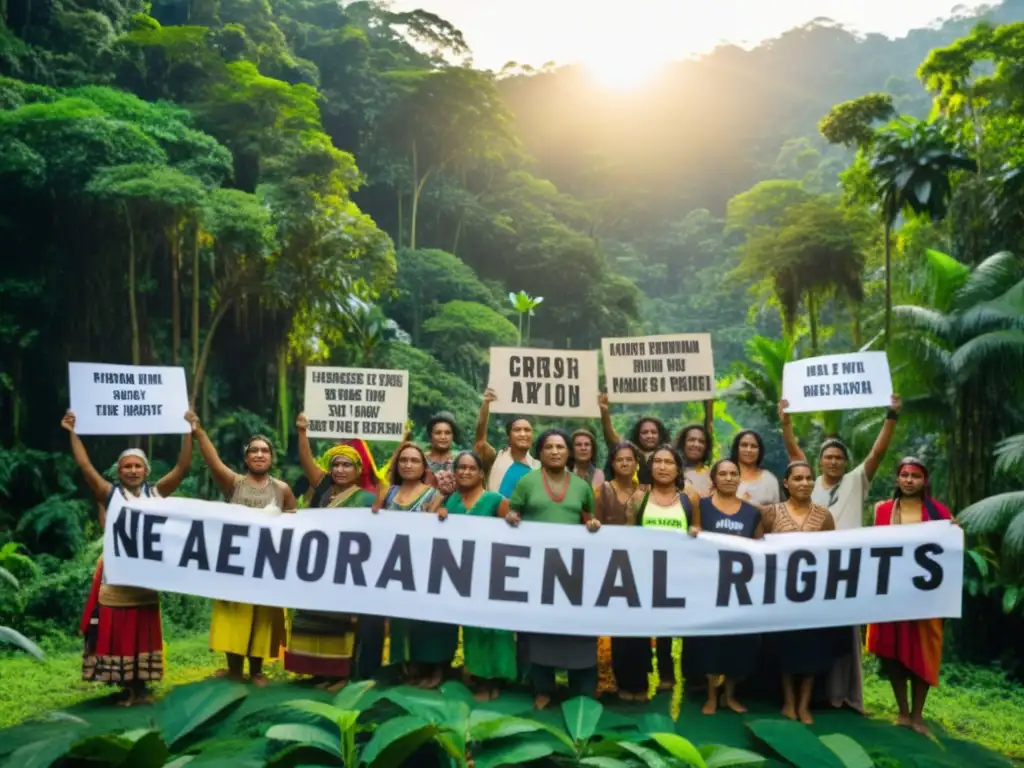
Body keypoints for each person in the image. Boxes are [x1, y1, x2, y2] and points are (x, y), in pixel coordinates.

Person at [778, 394, 902, 713]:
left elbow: (878, 451)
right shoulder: (809, 484)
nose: (833, 462)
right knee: (810, 632)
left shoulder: (856, 481)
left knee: (847, 634)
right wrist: (786, 421)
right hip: (810, 569)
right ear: (819, 461)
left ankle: (846, 696)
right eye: (828, 457)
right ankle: (815, 696)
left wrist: (891, 415)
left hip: (847, 569)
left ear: (845, 462)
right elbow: (794, 452)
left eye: (838, 457)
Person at [63, 410, 192, 706]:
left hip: (146, 579)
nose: (132, 471)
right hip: (116, 578)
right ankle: (128, 687)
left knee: (142, 630)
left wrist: (188, 430)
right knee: (119, 630)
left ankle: (142, 687)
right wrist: (72, 432)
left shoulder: (156, 494)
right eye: (127, 467)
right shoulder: (110, 495)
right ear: (119, 472)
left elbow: (182, 468)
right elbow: (85, 467)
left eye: (137, 466)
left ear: (146, 471)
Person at [186, 410, 296, 686]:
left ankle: (257, 670)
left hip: (267, 564)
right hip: (235, 563)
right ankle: (234, 669)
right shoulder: (233, 483)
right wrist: (198, 431)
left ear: (271, 458)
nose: (259, 455)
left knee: (262, 616)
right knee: (233, 616)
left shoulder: (282, 489)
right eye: (254, 451)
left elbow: (296, 520)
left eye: (265, 451)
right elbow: (212, 462)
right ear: (246, 458)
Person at [507, 429, 600, 710]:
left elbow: (590, 518)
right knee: (540, 631)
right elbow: (513, 514)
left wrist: (592, 525)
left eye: (561, 446)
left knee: (577, 630)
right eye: (549, 447)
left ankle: (580, 689)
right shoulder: (526, 482)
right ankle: (542, 688)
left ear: (569, 452)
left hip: (573, 572)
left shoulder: (582, 486)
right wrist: (512, 518)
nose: (555, 451)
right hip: (537, 570)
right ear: (541, 452)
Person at [866, 457, 956, 737]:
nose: (908, 480)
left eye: (915, 476)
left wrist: (955, 532)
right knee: (892, 651)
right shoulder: (882, 511)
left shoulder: (940, 513)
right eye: (904, 475)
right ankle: (902, 712)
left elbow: (950, 551)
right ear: (897, 479)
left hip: (926, 597)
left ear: (924, 481)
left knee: (923, 652)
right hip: (891, 593)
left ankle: (918, 715)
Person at [287, 415, 377, 690]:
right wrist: (302, 433)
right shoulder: (324, 492)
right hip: (319, 567)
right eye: (335, 464)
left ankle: (340, 675)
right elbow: (307, 463)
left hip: (347, 569)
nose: (339, 469)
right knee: (315, 620)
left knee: (340, 624)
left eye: (346, 465)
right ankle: (318, 670)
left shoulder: (366, 498)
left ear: (357, 469)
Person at [761, 461, 843, 725]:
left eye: (809, 478)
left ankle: (804, 704)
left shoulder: (824, 516)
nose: (804, 483)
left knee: (810, 648)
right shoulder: (771, 513)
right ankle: (788, 702)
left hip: (812, 594)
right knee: (785, 648)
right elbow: (755, 550)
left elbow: (832, 554)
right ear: (786, 483)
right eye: (797, 478)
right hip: (780, 594)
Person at [437, 451, 517, 701]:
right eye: (461, 468)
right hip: (462, 575)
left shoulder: (495, 500)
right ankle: (481, 679)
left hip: (494, 573)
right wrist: (439, 512)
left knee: (496, 628)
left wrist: (513, 518)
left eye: (472, 468)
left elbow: (514, 528)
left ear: (481, 473)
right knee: (473, 629)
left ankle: (499, 679)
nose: (466, 472)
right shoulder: (450, 502)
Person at [687, 458, 763, 715]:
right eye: (723, 474)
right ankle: (711, 696)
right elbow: (693, 532)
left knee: (737, 644)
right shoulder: (702, 505)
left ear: (740, 478)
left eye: (734, 474)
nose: (729, 478)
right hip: (709, 588)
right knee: (710, 644)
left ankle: (729, 696)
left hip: (740, 590)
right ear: (714, 479)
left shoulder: (752, 512)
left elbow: (759, 549)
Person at [377, 442, 449, 688]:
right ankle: (404, 667)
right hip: (393, 567)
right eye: (403, 460)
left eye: (414, 461)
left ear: (423, 467)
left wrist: (441, 514)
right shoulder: (387, 493)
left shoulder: (433, 495)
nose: (408, 465)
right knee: (399, 620)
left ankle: (431, 667)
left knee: (426, 620)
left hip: (425, 566)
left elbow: (443, 524)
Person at [633, 446, 699, 696]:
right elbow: (629, 534)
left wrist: (695, 532)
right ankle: (664, 674)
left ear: (677, 468)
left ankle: (693, 676)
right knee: (658, 627)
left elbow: (698, 529)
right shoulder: (640, 498)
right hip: (648, 572)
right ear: (650, 468)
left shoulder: (688, 498)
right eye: (657, 462)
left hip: (682, 572)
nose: (662, 467)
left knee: (685, 627)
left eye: (668, 462)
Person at [594, 441, 645, 700]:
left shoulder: (647, 491)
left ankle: (641, 683)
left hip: (643, 566)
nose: (625, 463)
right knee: (618, 626)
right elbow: (596, 525)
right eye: (620, 460)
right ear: (612, 464)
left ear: (637, 463)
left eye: (629, 459)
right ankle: (621, 682)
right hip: (611, 565)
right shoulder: (602, 491)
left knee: (641, 626)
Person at [474, 388, 540, 497]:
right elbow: (480, 441)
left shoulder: (537, 467)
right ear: (509, 437)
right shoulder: (495, 458)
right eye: (517, 430)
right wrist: (486, 404)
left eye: (527, 430)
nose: (523, 434)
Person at [597, 393, 670, 484]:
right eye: (644, 432)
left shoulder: (669, 454)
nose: (649, 436)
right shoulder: (630, 450)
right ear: (637, 435)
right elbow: (613, 440)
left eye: (653, 432)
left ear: (660, 435)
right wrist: (604, 412)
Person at [731, 430, 780, 507]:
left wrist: (751, 505)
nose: (749, 450)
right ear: (736, 448)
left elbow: (775, 513)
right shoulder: (725, 475)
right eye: (744, 445)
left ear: (760, 451)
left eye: (753, 446)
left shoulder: (769, 479)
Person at [674, 423, 714, 495]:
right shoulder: (671, 471)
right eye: (691, 440)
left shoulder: (712, 475)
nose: (696, 444)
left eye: (701, 442)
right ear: (683, 443)